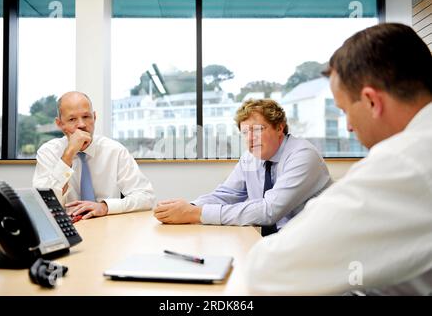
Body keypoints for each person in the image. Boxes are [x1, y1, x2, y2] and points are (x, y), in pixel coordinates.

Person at [244, 23, 432, 295]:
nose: (349, 128)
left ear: (371, 101)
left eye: (344, 110)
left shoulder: (408, 160)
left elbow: (269, 268)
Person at [154, 99, 332, 235]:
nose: (250, 138)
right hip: (277, 243)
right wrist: (187, 207)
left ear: (279, 128)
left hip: (312, 243)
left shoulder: (303, 155)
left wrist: (195, 213)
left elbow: (268, 211)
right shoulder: (250, 158)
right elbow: (226, 194)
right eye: (245, 132)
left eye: (257, 130)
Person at [33, 91, 156, 220]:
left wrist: (105, 207)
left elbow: (146, 197)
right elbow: (43, 203)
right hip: (67, 229)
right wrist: (68, 154)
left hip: (108, 228)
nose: (81, 124)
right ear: (60, 124)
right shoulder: (48, 152)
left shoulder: (115, 150)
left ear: (94, 117)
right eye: (72, 119)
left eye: (86, 116)